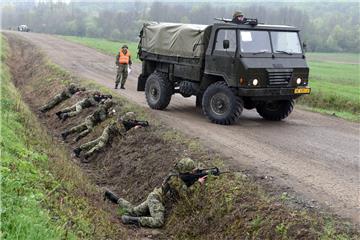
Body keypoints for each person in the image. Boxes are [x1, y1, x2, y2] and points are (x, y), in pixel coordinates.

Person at [104, 157, 207, 228]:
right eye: (190, 171)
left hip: (154, 196)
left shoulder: (176, 174)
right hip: (156, 200)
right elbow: (185, 194)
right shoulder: (174, 179)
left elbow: (189, 177)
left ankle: (113, 197)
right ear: (185, 171)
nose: (193, 172)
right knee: (158, 221)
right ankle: (131, 220)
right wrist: (198, 183)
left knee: (133, 210)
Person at [73, 112, 147, 160]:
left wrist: (138, 123)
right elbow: (124, 134)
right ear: (126, 119)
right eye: (130, 120)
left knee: (96, 142)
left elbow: (133, 122)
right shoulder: (120, 123)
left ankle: (79, 149)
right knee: (101, 144)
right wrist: (134, 129)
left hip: (111, 133)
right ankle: (86, 155)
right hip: (108, 131)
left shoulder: (126, 121)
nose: (131, 121)